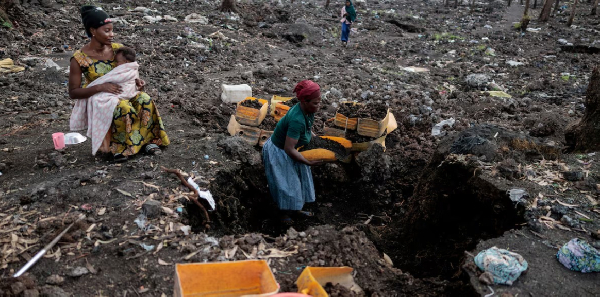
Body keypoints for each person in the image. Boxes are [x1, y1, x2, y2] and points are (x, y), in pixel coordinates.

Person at [68, 6, 169, 162]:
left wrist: (137, 81)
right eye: (106, 30)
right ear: (93, 30)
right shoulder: (79, 59)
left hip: (125, 91)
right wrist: (100, 87)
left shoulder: (117, 50)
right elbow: (73, 92)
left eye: (112, 30)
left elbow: (128, 70)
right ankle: (119, 148)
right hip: (101, 98)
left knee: (145, 100)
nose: (112, 34)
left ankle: (146, 141)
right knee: (123, 108)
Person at [263, 80, 322, 224]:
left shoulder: (307, 111)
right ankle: (283, 214)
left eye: (319, 102)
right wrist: (307, 162)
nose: (318, 106)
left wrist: (318, 141)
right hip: (280, 152)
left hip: (294, 150)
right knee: (287, 185)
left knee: (299, 181)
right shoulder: (297, 119)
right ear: (304, 101)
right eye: (315, 103)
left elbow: (307, 129)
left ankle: (296, 209)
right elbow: (288, 149)